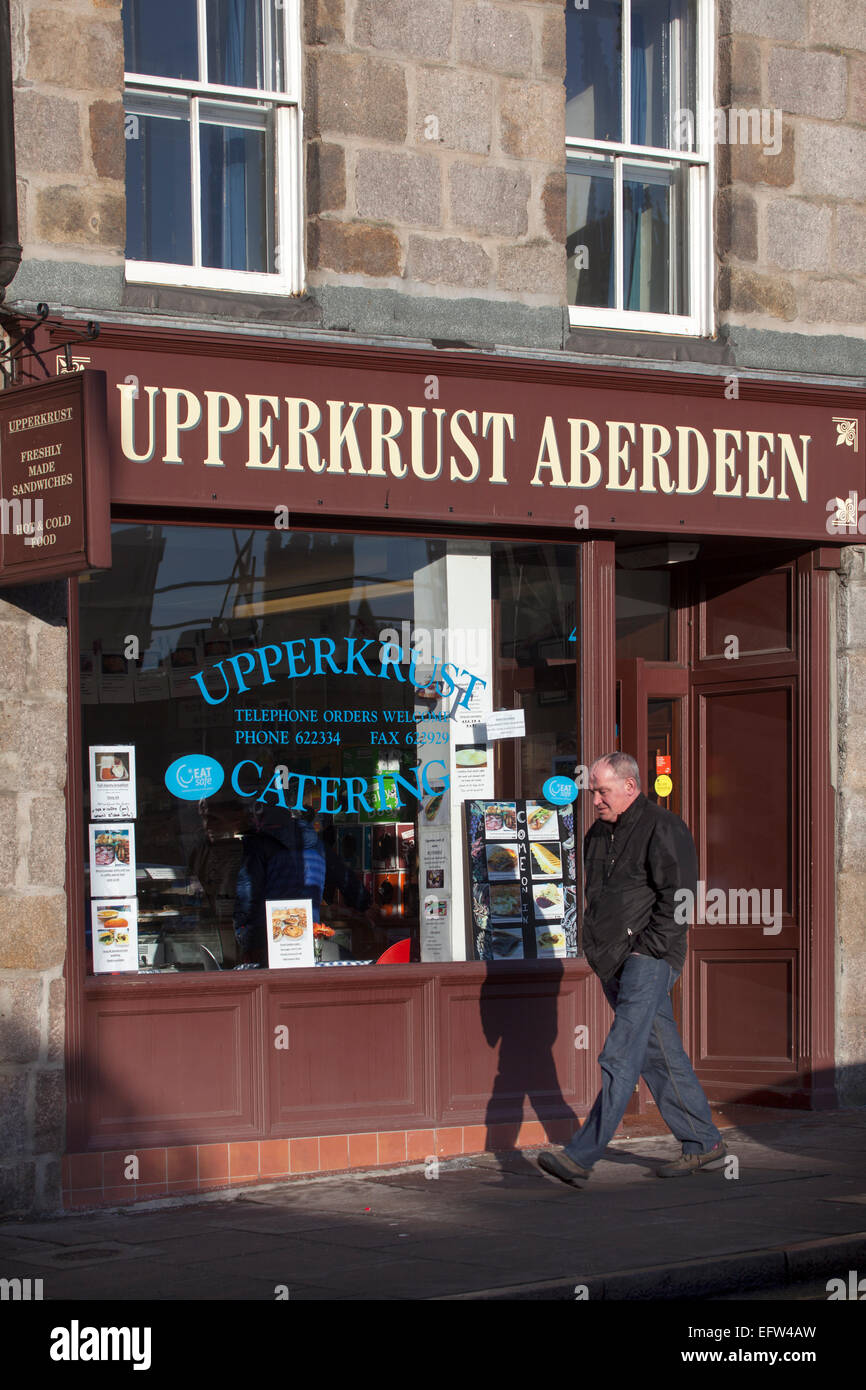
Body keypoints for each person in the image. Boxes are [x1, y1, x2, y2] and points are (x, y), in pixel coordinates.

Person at [537, 752, 726, 1187]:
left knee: (620, 1052)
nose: (596, 799)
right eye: (593, 791)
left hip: (648, 959)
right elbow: (599, 898)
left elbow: (679, 896)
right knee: (659, 1055)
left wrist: (648, 952)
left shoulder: (663, 826)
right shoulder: (596, 835)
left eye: (603, 791)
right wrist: (596, 947)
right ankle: (704, 1143)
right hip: (611, 960)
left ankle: (581, 1155)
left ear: (630, 786)